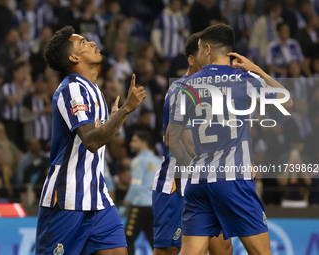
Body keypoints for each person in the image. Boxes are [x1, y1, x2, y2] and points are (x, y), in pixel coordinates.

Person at [167, 24, 293, 255]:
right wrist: (256, 69)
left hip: (197, 183)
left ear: (207, 49)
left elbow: (172, 140)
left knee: (190, 252)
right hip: (233, 179)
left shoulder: (186, 85)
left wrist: (194, 168)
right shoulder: (243, 80)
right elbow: (287, 101)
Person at [35, 26, 146, 255]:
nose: (93, 43)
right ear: (74, 57)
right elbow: (91, 141)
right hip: (66, 200)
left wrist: (115, 119)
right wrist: (126, 110)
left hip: (98, 198)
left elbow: (101, 141)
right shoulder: (71, 90)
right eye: (84, 42)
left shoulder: (94, 90)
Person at [152, 31, 232, 255]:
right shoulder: (181, 88)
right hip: (178, 182)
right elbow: (179, 140)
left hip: (209, 181)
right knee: (169, 250)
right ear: (191, 58)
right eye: (205, 52)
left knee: (223, 248)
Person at [123, 130, 161, 255]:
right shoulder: (158, 161)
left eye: (134, 141)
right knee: (155, 242)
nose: (130, 144)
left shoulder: (138, 161)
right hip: (154, 206)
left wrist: (127, 200)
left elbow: (136, 185)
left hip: (140, 206)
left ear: (144, 142)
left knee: (127, 239)